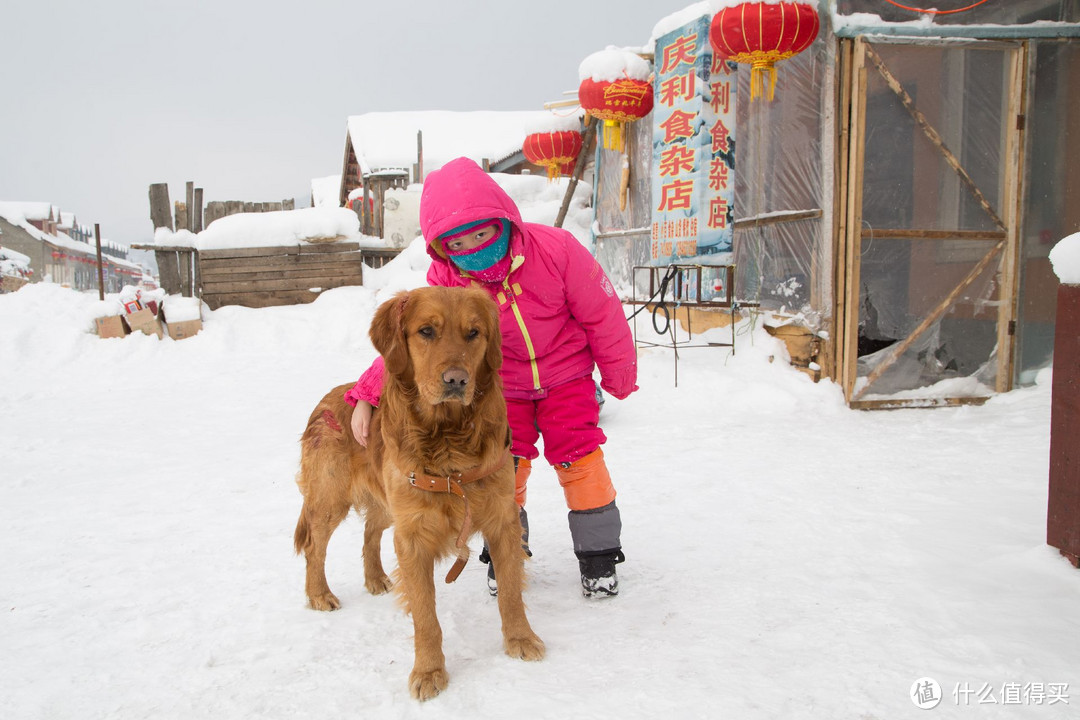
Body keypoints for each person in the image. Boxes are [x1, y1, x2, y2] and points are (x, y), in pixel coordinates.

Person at [345, 156, 638, 598]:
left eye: (481, 234)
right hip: (505, 391)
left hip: (567, 377)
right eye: (458, 244)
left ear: (504, 222)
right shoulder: (446, 283)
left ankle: (598, 556)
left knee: (580, 459)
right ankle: (506, 554)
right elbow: (411, 349)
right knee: (504, 467)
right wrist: (367, 395)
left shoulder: (556, 250)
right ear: (442, 249)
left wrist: (618, 374)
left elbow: (603, 314)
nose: (473, 249)